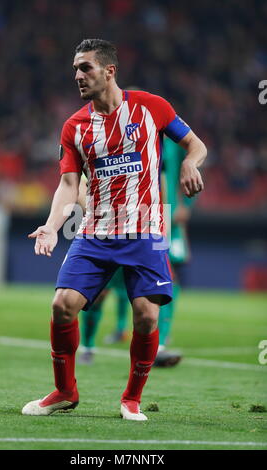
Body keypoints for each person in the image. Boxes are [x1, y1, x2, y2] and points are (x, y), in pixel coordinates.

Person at [22, 39, 207, 421]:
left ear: (109, 71)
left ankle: (131, 399)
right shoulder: (75, 126)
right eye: (75, 68)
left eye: (85, 67)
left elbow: (196, 145)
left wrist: (191, 163)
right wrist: (52, 227)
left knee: (146, 316)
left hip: (146, 230)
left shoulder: (151, 107)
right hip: (96, 232)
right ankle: (64, 391)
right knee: (62, 306)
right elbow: (69, 185)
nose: (78, 75)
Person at [154, 137, 197, 367]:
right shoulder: (131, 132)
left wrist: (185, 205)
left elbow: (192, 165)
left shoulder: (173, 140)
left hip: (165, 218)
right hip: (139, 214)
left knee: (166, 273)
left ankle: (161, 339)